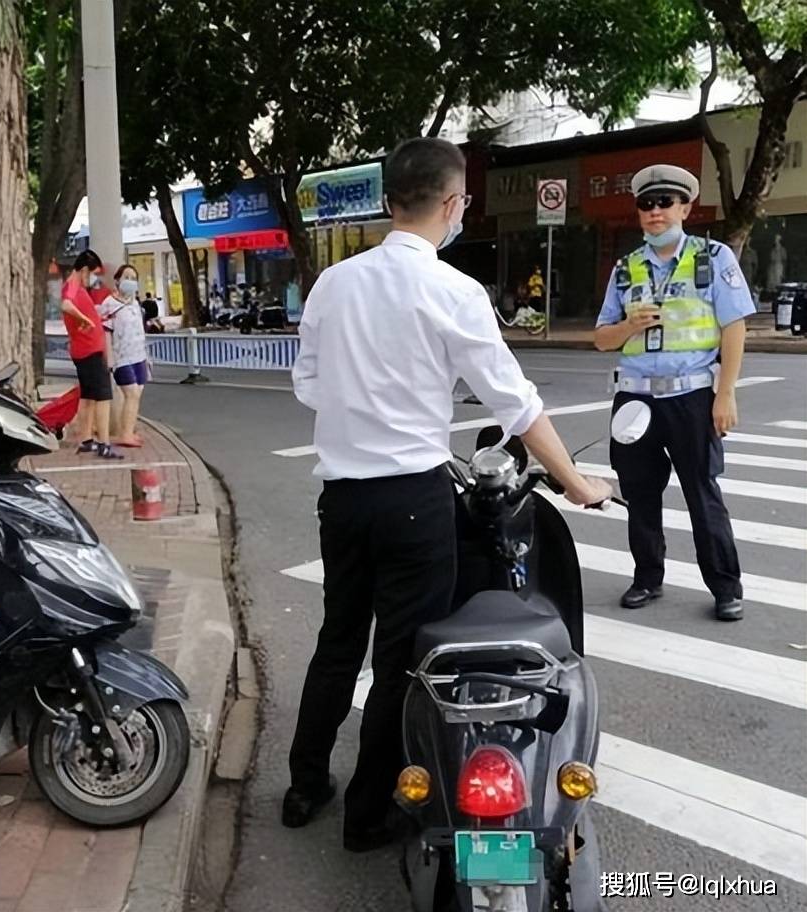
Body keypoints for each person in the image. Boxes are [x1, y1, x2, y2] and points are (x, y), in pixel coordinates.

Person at [285, 138, 609, 851]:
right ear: (455, 204)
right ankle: (369, 815)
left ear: (388, 201)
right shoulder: (452, 290)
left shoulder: (334, 284)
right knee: (403, 661)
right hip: (413, 500)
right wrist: (578, 482)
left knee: (338, 641)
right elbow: (516, 405)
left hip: (341, 500)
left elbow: (306, 383)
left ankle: (304, 784)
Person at [594, 164, 753, 621]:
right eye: (646, 204)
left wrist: (726, 394)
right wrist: (629, 326)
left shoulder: (712, 257)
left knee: (702, 492)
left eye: (665, 202)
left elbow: (734, 327)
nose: (655, 212)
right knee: (640, 493)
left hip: (691, 397)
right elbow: (602, 338)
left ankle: (725, 586)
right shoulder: (627, 268)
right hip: (635, 399)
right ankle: (647, 577)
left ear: (685, 207)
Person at [59, 249, 123, 460]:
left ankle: (86, 439)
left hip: (85, 350)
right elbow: (66, 305)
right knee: (103, 397)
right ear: (84, 270)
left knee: (88, 397)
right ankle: (104, 443)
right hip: (89, 351)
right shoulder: (73, 286)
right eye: (93, 273)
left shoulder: (76, 287)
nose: (94, 279)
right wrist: (84, 320)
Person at [98, 264, 151, 448]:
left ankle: (127, 430)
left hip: (139, 355)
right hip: (122, 358)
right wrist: (109, 358)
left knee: (137, 395)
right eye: (126, 277)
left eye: (133, 278)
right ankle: (125, 434)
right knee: (132, 393)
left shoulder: (135, 303)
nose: (130, 282)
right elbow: (105, 332)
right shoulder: (109, 304)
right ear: (118, 280)